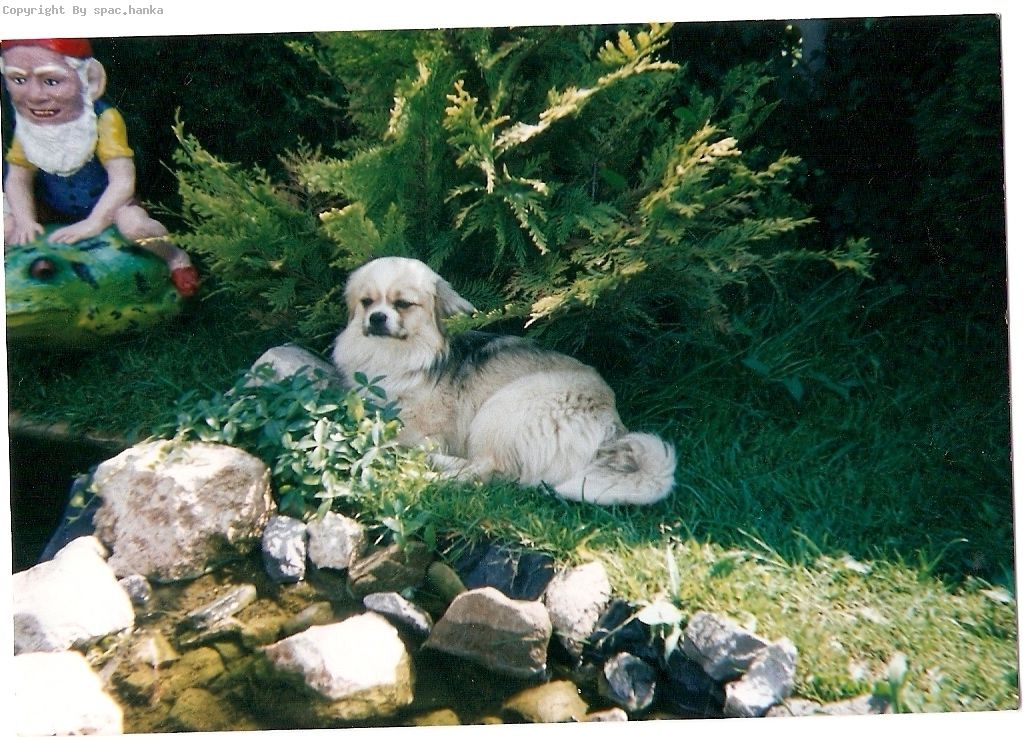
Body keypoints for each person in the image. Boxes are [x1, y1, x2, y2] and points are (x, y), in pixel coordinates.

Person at [2, 37, 199, 296]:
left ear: (90, 80)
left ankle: (175, 258)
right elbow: (18, 178)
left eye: (51, 81)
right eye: (19, 80)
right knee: (5, 227)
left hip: (109, 207)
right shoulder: (29, 127)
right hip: (51, 209)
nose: (34, 96)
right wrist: (25, 220)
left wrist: (95, 223)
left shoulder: (104, 119)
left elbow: (123, 181)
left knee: (136, 227)